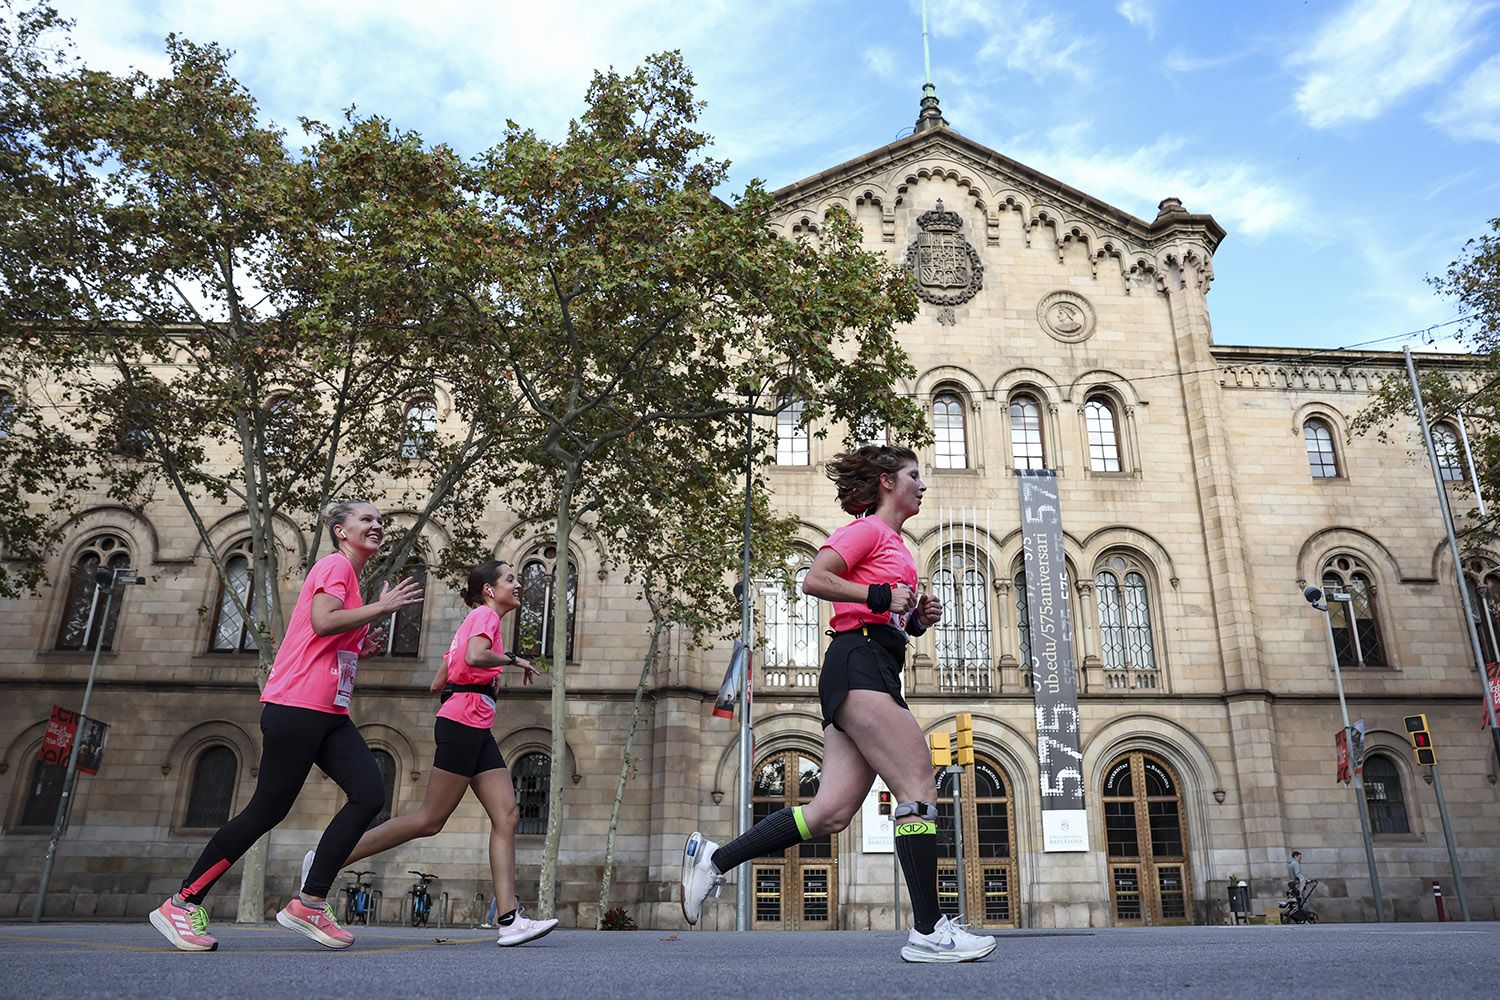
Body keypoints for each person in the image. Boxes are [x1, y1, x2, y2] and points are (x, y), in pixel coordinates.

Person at [680, 444, 996, 963]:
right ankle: (928, 930)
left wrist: (914, 620)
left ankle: (715, 858)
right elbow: (814, 579)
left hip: (873, 663)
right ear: (888, 483)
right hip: (858, 664)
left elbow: (885, 614)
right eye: (915, 475)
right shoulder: (868, 530)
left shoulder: (897, 544)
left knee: (829, 813)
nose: (923, 485)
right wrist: (877, 598)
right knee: (917, 780)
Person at [150, 500, 424, 952]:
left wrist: (360, 647)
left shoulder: (351, 579)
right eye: (366, 519)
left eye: (380, 520)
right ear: (341, 531)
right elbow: (321, 621)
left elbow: (324, 635)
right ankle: (182, 902)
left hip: (329, 712)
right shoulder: (336, 566)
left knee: (370, 792)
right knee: (266, 810)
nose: (377, 525)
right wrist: (380, 609)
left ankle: (310, 902)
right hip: (297, 706)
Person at [303, 559, 558, 947]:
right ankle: (325, 863)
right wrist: (509, 661)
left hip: (473, 724)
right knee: (429, 820)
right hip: (464, 724)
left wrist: (482, 686)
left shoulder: (472, 622)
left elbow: (440, 679)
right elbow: (474, 657)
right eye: (510, 579)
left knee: (507, 814)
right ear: (489, 590)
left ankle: (510, 919)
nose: (518, 584)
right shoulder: (485, 619)